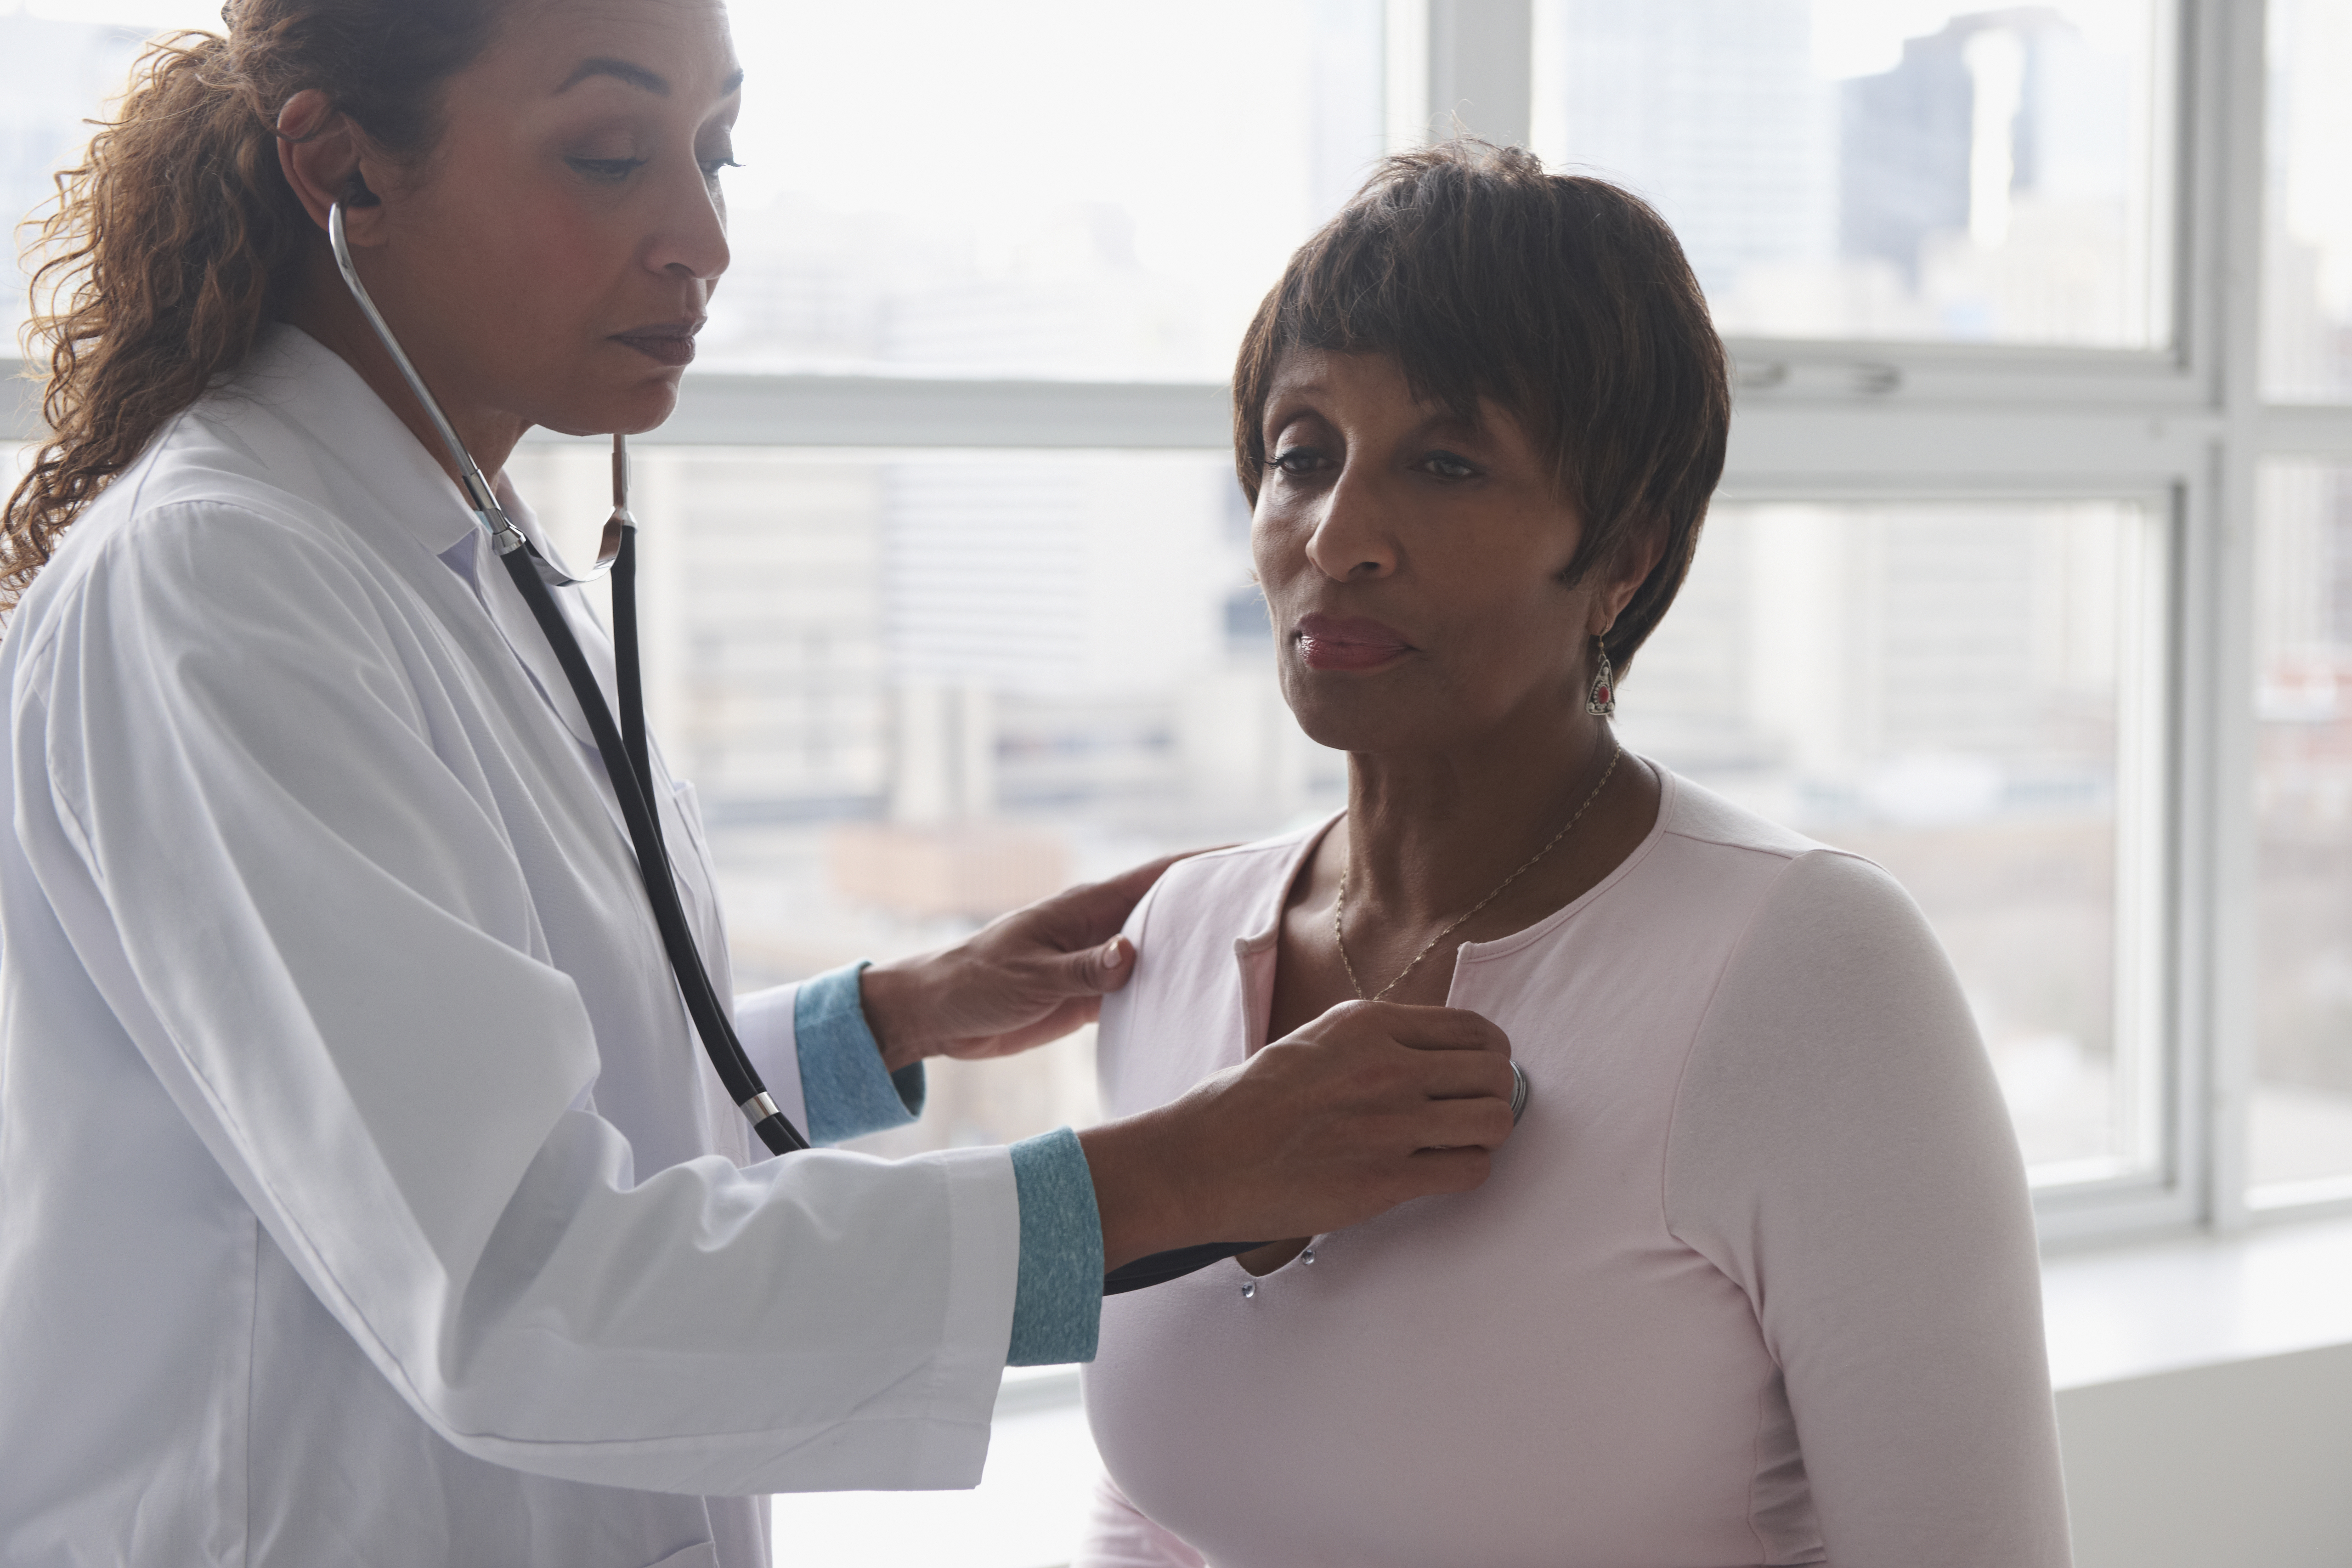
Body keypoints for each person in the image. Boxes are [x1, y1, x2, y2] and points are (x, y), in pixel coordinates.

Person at [0, 6, 1524, 1565]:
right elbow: (516, 1283)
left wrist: (885, 1025)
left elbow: (505, 1075)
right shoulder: (225, 586)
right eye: (608, 155)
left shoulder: (453, 558)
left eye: (715, 152)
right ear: (341, 166)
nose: (702, 239)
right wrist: (1178, 1174)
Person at [1078, 142, 2073, 1568]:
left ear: (1623, 555)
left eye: (1446, 460)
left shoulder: (1811, 968)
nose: (1340, 534)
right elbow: (1158, 1509)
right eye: (1303, 453)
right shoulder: (1170, 939)